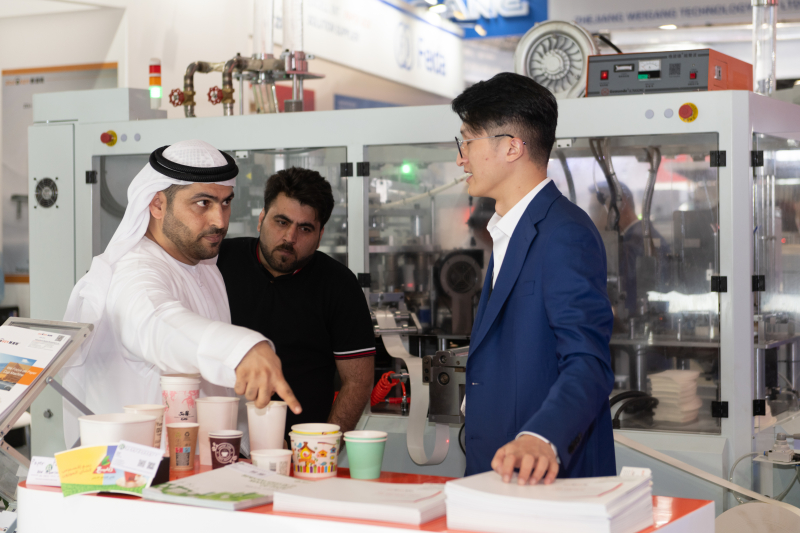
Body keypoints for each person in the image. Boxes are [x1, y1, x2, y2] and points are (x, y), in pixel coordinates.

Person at [61, 140, 301, 450]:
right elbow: (159, 323)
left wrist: (256, 446)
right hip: (140, 473)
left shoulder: (204, 268)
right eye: (203, 203)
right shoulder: (135, 272)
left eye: (225, 202)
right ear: (157, 204)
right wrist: (243, 349)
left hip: (196, 468)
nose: (220, 220)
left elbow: (215, 387)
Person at [453, 72, 616, 484]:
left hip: (545, 477)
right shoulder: (510, 229)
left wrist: (542, 436)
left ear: (512, 147)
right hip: (502, 469)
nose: (460, 158)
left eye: (467, 142)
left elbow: (588, 361)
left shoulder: (564, 234)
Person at [217, 167, 374, 439]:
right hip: (220, 439)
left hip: (303, 449)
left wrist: (325, 447)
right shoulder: (219, 263)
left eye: (305, 228)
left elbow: (358, 381)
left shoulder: (338, 285)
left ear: (320, 235)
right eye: (281, 222)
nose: (290, 238)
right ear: (261, 219)